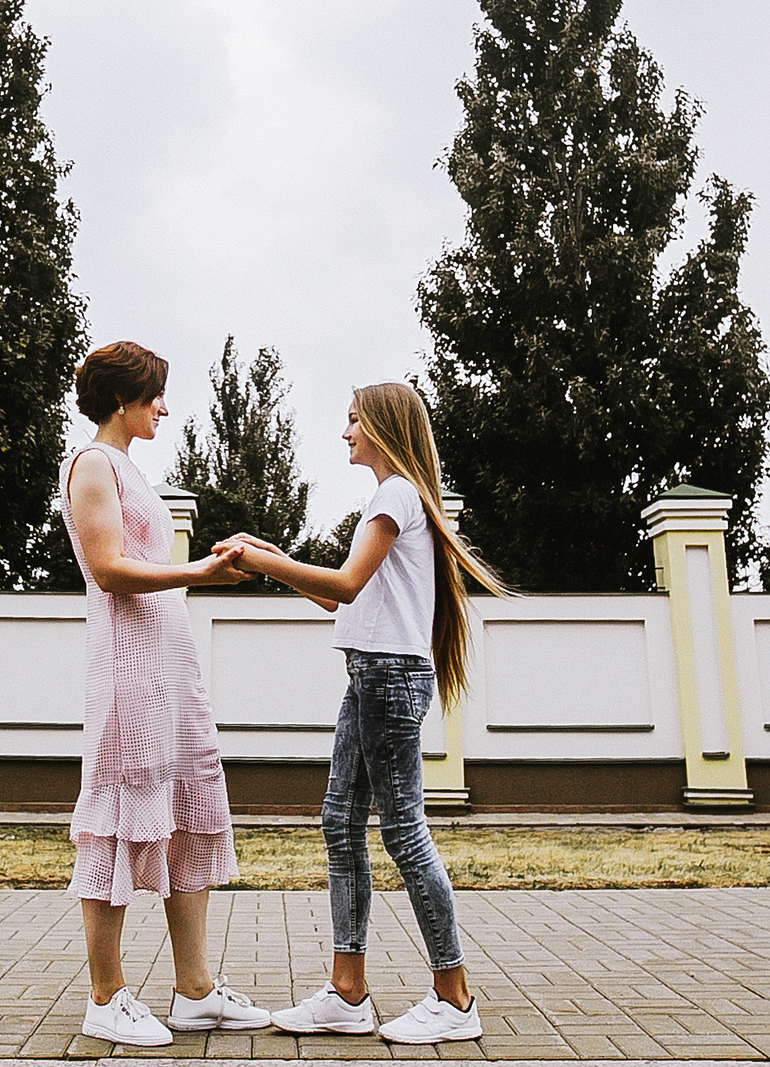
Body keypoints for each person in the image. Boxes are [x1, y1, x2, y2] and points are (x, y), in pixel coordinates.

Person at [221, 380, 509, 1046]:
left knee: (404, 833)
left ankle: (454, 997)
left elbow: (343, 583)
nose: (345, 432)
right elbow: (341, 602)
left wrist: (272, 561)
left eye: (353, 420)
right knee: (340, 823)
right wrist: (267, 558)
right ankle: (347, 994)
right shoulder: (396, 498)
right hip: (367, 673)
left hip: (385, 678)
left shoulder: (395, 494)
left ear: (381, 427)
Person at [61, 340, 272, 1047]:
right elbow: (110, 570)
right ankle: (105, 997)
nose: (163, 407)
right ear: (121, 399)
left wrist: (205, 565)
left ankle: (195, 993)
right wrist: (199, 576)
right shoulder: (92, 464)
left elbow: (143, 562)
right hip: (128, 674)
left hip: (169, 672)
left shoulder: (128, 469)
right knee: (118, 821)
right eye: (152, 395)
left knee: (182, 817)